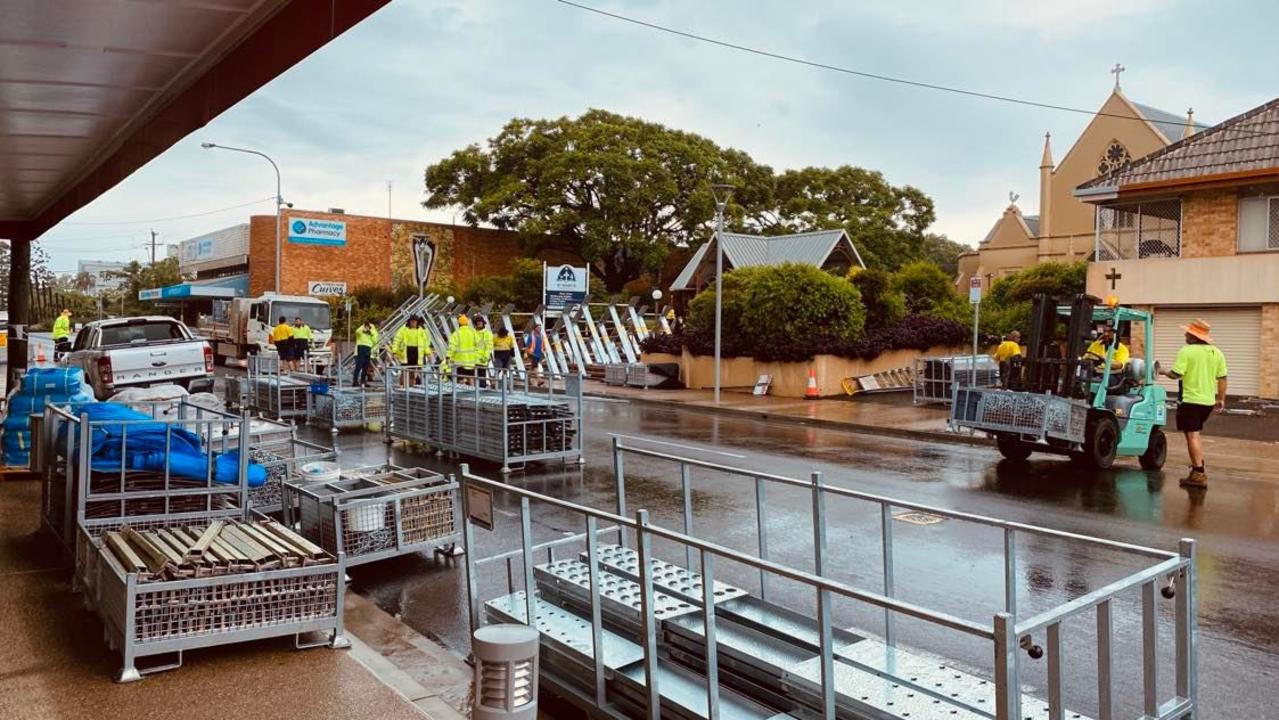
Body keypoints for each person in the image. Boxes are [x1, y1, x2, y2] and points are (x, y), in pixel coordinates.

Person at [1160, 319, 1227, 488]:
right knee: (1194, 434)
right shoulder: (1217, 352)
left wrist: (1161, 370)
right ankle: (1198, 466)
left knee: (1192, 435)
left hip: (1191, 400)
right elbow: (1222, 378)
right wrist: (1221, 398)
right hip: (1208, 402)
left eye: (1187, 333)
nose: (1185, 335)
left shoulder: (1187, 351)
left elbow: (1176, 374)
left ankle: (1199, 473)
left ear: (1193, 336)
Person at [392, 316, 432, 385]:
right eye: (412, 321)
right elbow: (397, 340)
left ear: (417, 323)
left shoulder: (421, 330)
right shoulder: (403, 329)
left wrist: (428, 353)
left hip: (417, 352)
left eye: (415, 321)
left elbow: (425, 343)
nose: (413, 323)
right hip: (406, 352)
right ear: (409, 322)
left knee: (413, 371)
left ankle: (411, 386)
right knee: (404, 370)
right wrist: (394, 351)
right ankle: (403, 386)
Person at [447, 315, 480, 383]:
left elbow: (452, 347)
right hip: (471, 362)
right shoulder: (473, 332)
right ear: (467, 323)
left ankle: (460, 392)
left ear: (459, 324)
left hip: (459, 361)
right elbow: (480, 344)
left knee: (460, 379)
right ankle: (474, 391)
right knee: (471, 378)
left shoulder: (456, 334)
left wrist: (448, 356)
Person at [354, 321, 378, 386]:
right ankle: (355, 381)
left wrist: (370, 332)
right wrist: (363, 328)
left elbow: (375, 341)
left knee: (366, 366)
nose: (368, 326)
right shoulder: (361, 329)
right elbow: (356, 332)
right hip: (361, 347)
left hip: (368, 348)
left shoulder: (373, 330)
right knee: (359, 365)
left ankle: (363, 381)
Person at [473, 316, 493, 386]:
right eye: (477, 322)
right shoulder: (473, 332)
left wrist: (485, 357)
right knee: (473, 378)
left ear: (483, 323)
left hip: (482, 359)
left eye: (480, 322)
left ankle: (482, 392)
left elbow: (489, 347)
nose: (479, 324)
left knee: (481, 377)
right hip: (472, 359)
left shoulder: (487, 334)